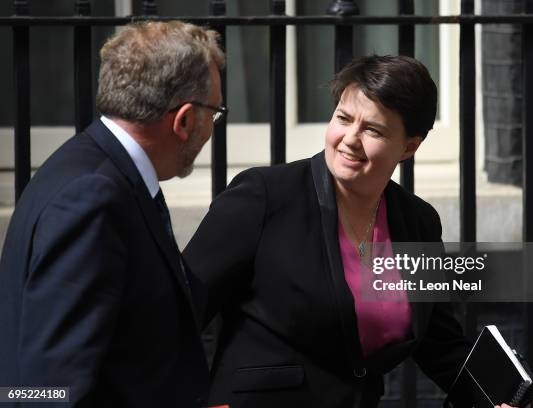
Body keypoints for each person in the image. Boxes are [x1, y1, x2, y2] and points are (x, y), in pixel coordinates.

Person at [184, 55, 475, 408]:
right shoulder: (263, 196)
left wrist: (496, 393)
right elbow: (179, 314)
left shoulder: (417, 221)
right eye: (343, 118)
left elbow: (439, 344)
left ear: (409, 146)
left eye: (373, 129)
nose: (350, 139)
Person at [0, 21, 224, 407]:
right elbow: (51, 388)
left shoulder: (97, 169)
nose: (212, 127)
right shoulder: (94, 197)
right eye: (214, 112)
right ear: (184, 120)